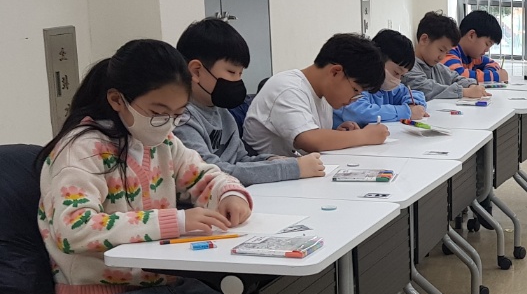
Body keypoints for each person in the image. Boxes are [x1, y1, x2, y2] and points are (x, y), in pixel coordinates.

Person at [36, 39, 253, 294]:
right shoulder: (82, 150)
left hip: (158, 286)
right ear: (118, 100)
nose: (167, 123)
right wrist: (177, 221)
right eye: (157, 111)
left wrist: (230, 194)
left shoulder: (162, 143)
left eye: (177, 113)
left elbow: (205, 174)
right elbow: (74, 230)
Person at [172, 17, 324, 185]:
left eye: (240, 73)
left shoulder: (222, 112)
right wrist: (292, 169)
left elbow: (240, 159)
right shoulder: (181, 119)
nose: (237, 80)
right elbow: (210, 173)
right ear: (196, 71)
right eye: (231, 72)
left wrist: (271, 160)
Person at [243, 33, 389, 156]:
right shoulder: (287, 88)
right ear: (335, 72)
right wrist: (364, 136)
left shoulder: (323, 94)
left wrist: (339, 135)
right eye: (355, 90)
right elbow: (310, 141)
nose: (353, 100)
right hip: (267, 176)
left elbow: (313, 138)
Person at [334, 29, 429, 127]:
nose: (398, 80)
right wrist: (406, 111)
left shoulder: (388, 88)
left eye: (402, 76)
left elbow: (415, 94)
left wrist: (413, 104)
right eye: (396, 72)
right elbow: (360, 113)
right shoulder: (358, 83)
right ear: (378, 60)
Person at [404, 12, 489, 101]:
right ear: (424, 39)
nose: (442, 57)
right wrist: (465, 92)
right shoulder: (407, 67)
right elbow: (426, 89)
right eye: (441, 50)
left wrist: (471, 85)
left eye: (446, 52)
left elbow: (455, 77)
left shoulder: (437, 67)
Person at [443, 10, 505, 83]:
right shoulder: (449, 52)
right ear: (471, 35)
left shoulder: (473, 57)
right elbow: (458, 76)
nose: (487, 50)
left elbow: (493, 64)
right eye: (487, 44)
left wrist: (487, 73)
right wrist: (495, 76)